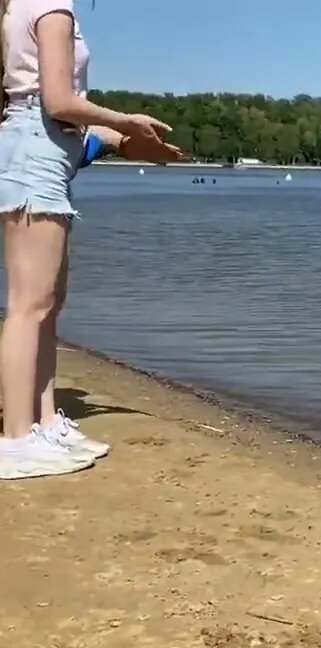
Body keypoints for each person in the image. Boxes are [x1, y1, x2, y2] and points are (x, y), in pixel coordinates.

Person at [0, 0, 184, 480]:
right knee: (29, 304)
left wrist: (124, 140)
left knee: (48, 301)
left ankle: (42, 423)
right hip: (36, 154)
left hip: (45, 152)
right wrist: (127, 121)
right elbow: (57, 102)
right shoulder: (50, 4)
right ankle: (16, 439)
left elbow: (54, 113)